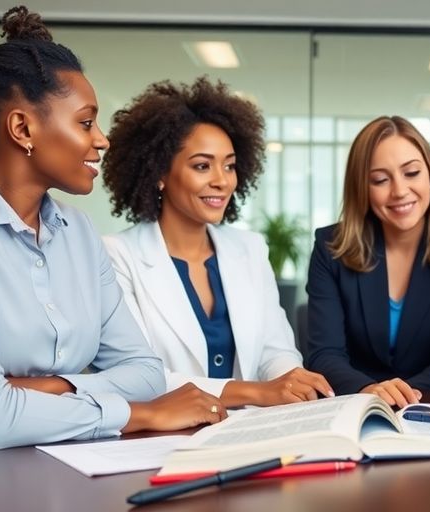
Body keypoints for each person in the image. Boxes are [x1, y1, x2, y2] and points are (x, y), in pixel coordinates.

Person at [0, 6, 225, 449]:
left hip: (63, 466)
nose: (101, 139)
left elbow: (144, 373)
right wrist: (140, 414)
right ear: (22, 128)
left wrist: (39, 388)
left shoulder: (78, 232)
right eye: (86, 122)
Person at [102, 78, 333, 407]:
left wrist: (291, 381)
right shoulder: (117, 255)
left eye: (229, 166)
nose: (222, 181)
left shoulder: (250, 249)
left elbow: (275, 350)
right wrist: (256, 392)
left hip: (250, 431)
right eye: (202, 166)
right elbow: (137, 375)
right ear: (159, 173)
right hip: (166, 438)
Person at [304, 116, 430, 408]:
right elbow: (324, 353)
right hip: (357, 407)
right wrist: (369, 390)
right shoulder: (330, 247)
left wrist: (404, 396)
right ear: (362, 188)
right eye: (380, 180)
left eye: (411, 173)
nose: (399, 190)